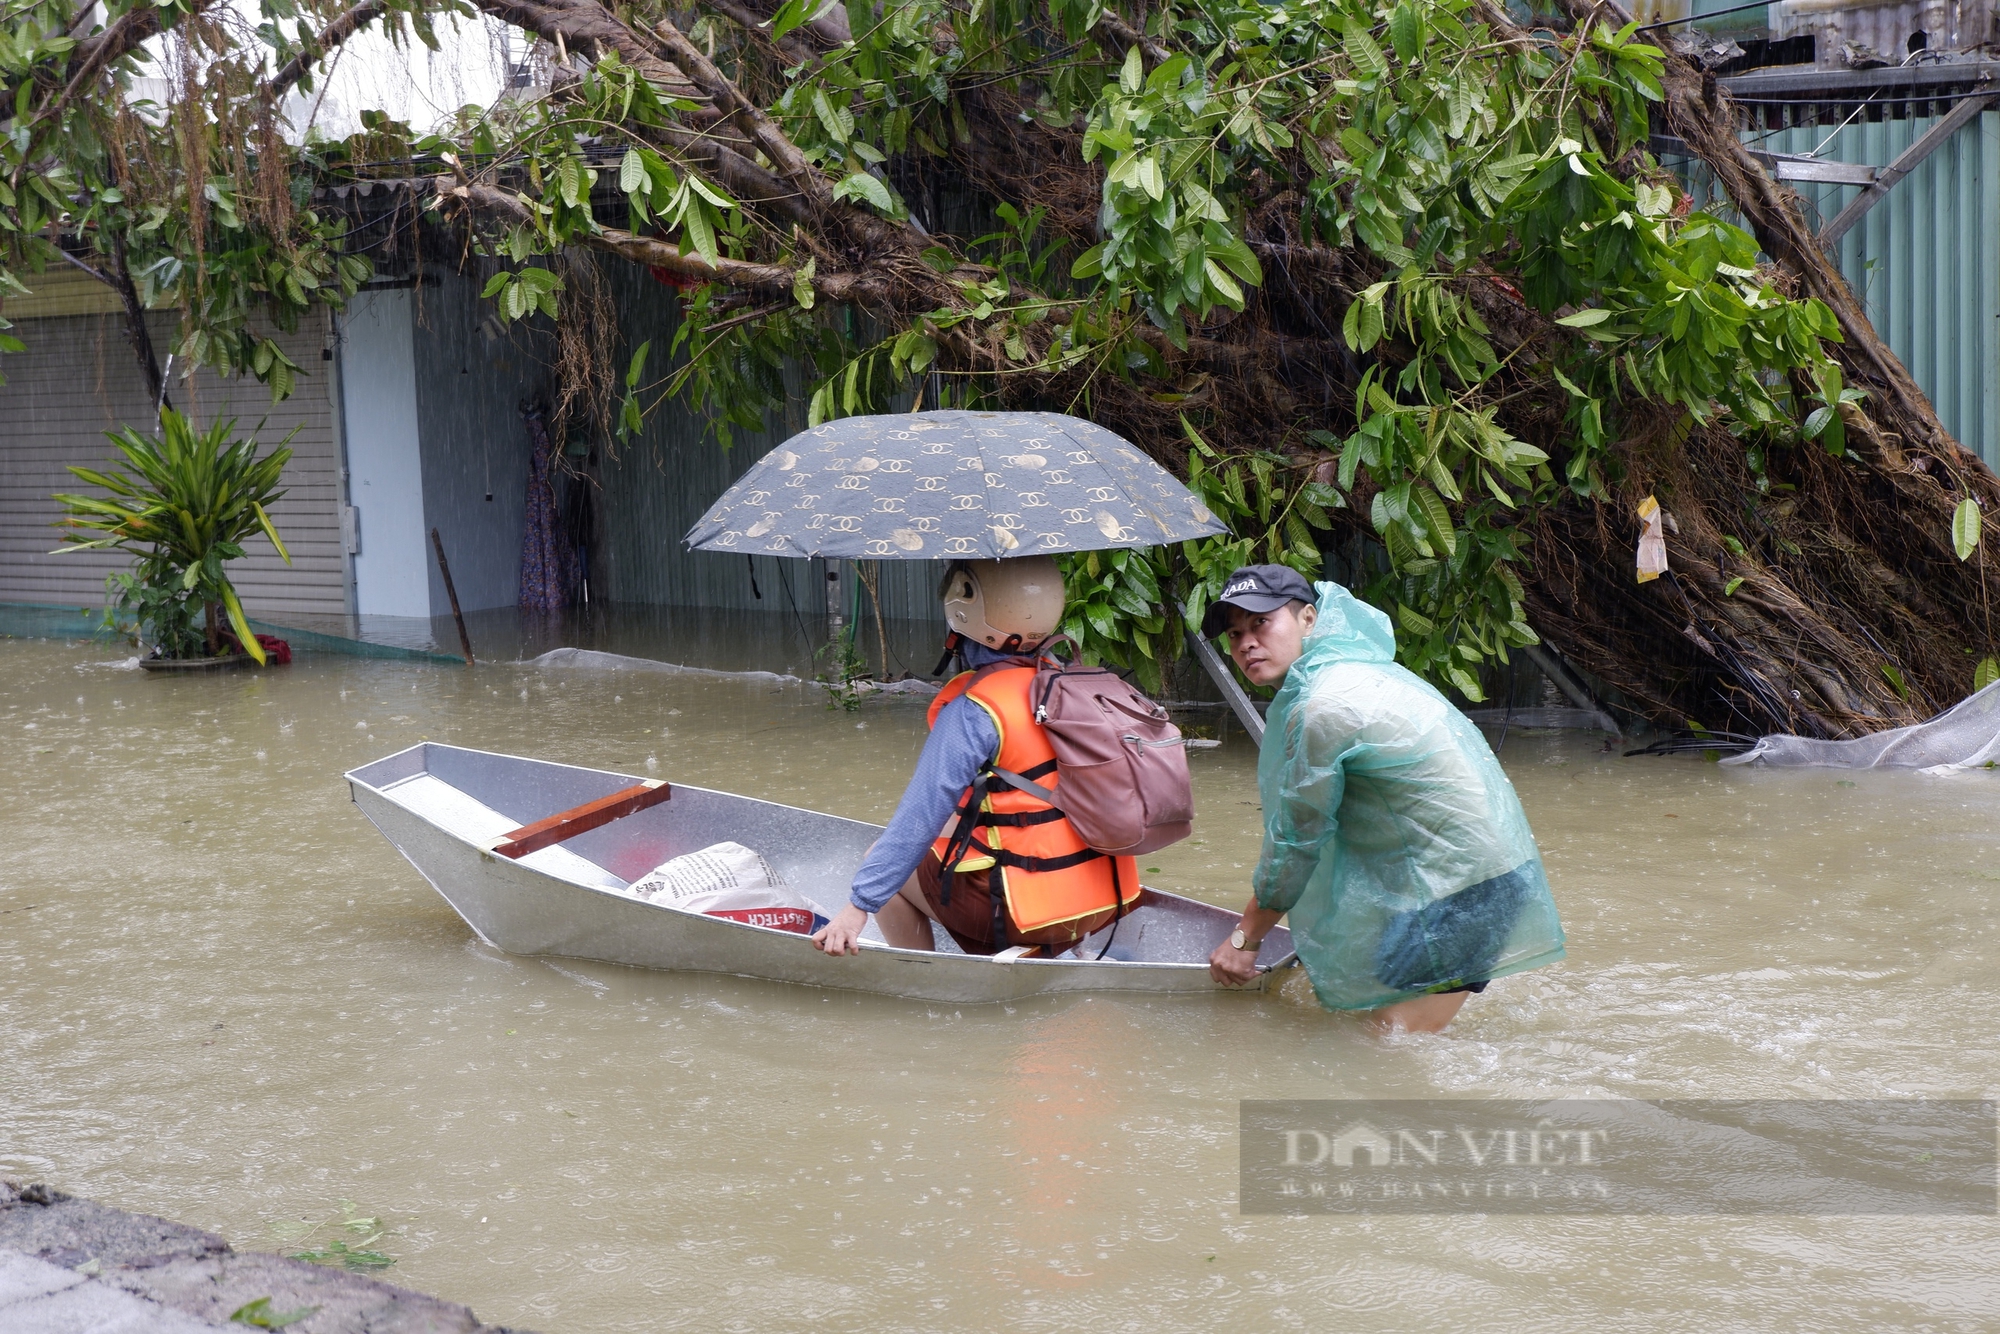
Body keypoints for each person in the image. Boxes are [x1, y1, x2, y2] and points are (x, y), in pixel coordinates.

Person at [1202, 565, 1566, 1032]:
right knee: (1388, 1034)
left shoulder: (1323, 705)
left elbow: (1297, 841)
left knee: (1384, 1050)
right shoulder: (1358, 671)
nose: (1246, 643)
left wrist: (1243, 938)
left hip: (1458, 893)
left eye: (1261, 623)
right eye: (1234, 634)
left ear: (1309, 619)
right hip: (1476, 879)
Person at [812, 556, 1141, 958]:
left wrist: (857, 908)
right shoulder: (1075, 685)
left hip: (1016, 915)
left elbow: (918, 817)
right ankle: (1052, 947)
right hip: (1103, 905)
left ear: (963, 611)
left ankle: (927, 977)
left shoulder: (974, 710)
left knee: (878, 859)